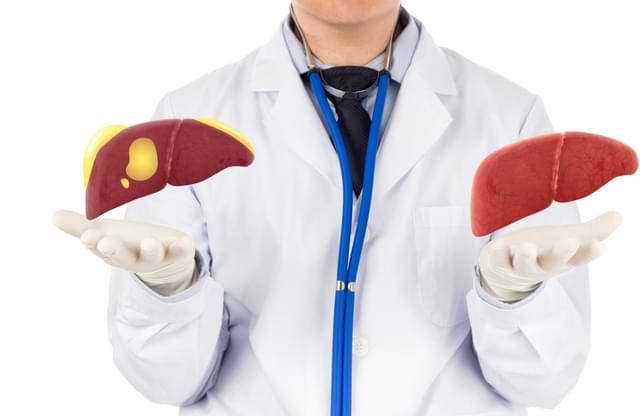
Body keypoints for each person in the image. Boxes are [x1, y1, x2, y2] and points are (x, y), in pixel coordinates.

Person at [53, 1, 621, 415]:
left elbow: (544, 382)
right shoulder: (189, 120)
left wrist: (514, 298)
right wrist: (170, 293)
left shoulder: (509, 119)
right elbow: (167, 381)